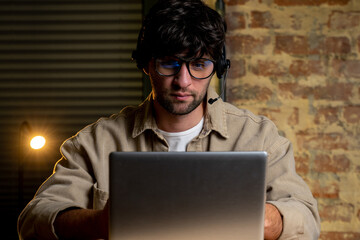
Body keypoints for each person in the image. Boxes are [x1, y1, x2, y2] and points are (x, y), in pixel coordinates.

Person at [18, 0, 321, 239]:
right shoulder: (95, 142)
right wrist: (100, 223)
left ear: (218, 67)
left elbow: (307, 220)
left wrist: (266, 220)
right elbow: (34, 219)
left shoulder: (260, 136)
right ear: (146, 65)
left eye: (199, 64)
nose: (183, 81)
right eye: (169, 63)